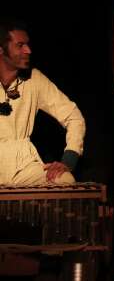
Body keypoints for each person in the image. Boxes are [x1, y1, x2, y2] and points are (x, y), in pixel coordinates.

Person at [0, 18, 85, 185]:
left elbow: (73, 116)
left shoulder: (35, 79)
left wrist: (69, 159)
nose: (28, 50)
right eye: (20, 45)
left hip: (23, 166)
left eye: (27, 44)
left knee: (65, 181)